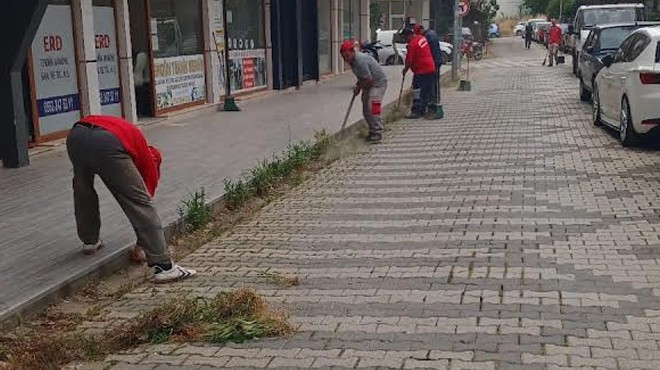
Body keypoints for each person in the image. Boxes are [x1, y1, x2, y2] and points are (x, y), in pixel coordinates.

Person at [66, 115, 196, 283]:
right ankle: (164, 266)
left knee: (83, 191)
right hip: (108, 142)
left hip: (77, 135)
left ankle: (90, 242)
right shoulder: (148, 159)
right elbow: (143, 202)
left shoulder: (132, 139)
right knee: (139, 203)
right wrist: (142, 245)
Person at [340, 40, 388, 143]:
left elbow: (368, 80)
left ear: (353, 51)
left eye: (347, 56)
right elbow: (363, 77)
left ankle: (377, 131)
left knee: (373, 105)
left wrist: (358, 88)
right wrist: (359, 85)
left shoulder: (359, 60)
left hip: (378, 83)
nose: (346, 59)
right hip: (368, 83)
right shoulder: (352, 61)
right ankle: (372, 130)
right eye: (344, 57)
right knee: (366, 109)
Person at [402, 27, 436, 119]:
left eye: (405, 38)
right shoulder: (422, 38)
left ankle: (416, 111)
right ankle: (424, 110)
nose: (405, 40)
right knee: (426, 91)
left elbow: (409, 60)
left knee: (417, 90)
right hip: (431, 68)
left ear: (408, 36)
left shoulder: (412, 44)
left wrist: (405, 70)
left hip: (421, 70)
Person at [414, 24, 442, 110]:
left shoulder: (427, 37)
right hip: (437, 60)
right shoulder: (432, 33)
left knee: (430, 84)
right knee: (436, 82)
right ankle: (436, 100)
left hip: (432, 63)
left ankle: (432, 103)